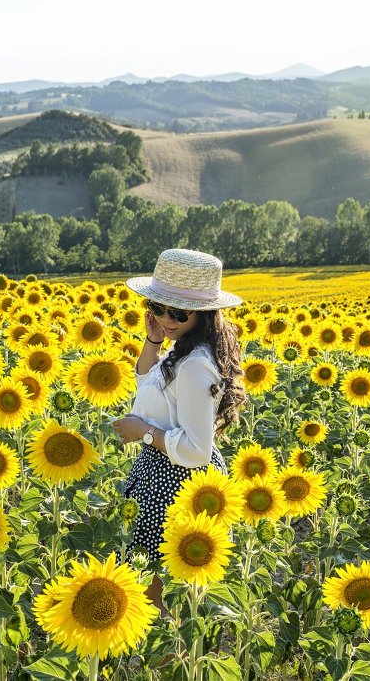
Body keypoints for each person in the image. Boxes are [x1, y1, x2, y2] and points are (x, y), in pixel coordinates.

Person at [111, 248, 247, 613]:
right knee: (150, 583)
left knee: (160, 593)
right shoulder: (182, 351)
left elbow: (197, 450)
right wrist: (153, 340)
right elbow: (147, 383)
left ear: (203, 314)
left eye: (178, 313)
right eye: (158, 308)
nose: (166, 318)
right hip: (161, 473)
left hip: (176, 484)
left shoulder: (195, 365)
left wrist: (143, 432)